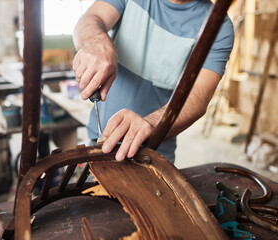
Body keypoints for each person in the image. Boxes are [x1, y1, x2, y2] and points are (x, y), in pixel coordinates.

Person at [72, 0, 234, 163]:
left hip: (152, 156)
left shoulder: (218, 27)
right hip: (100, 143)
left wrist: (150, 123)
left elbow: (197, 98)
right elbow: (91, 19)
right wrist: (95, 41)